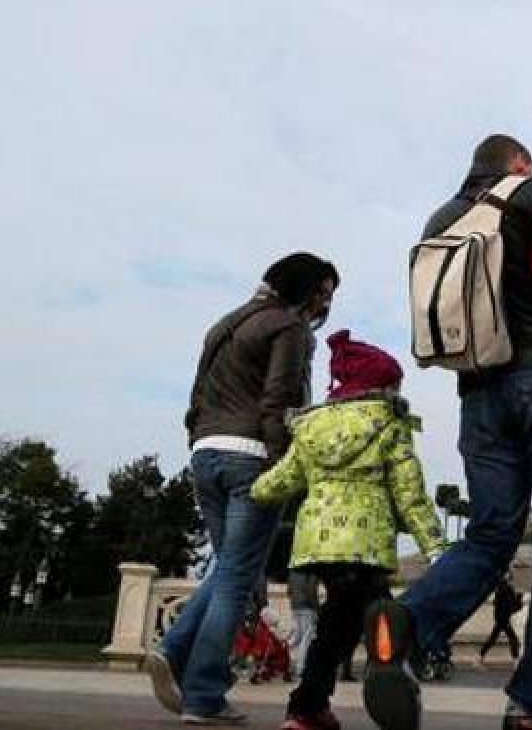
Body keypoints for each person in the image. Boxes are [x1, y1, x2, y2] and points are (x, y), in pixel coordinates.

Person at [364, 134, 532, 730]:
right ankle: (531, 706)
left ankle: (409, 621)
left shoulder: (442, 219)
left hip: (479, 391)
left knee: (490, 537)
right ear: (517, 163)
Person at [146, 253, 338, 725]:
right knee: (236, 580)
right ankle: (204, 693)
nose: (325, 303)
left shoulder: (224, 325)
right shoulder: (289, 329)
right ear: (305, 289)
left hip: (206, 453)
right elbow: (280, 400)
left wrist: (198, 438)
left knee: (232, 569)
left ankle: (172, 650)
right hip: (250, 456)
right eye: (324, 292)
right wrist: (282, 464)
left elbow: (197, 396)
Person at [250, 329, 447, 730]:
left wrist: (253, 490)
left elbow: (283, 479)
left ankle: (311, 707)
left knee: (341, 620)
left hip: (318, 544)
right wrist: (436, 547)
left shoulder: (310, 428)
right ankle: (375, 674)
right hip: (366, 544)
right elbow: (410, 495)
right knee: (365, 616)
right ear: (381, 386)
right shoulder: (390, 424)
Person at [478, 573, 524, 668]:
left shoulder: (500, 588)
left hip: (501, 618)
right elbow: (512, 605)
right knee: (513, 640)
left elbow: (505, 604)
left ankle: (479, 658)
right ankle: (516, 662)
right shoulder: (506, 589)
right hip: (503, 618)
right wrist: (519, 597)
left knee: (493, 639)